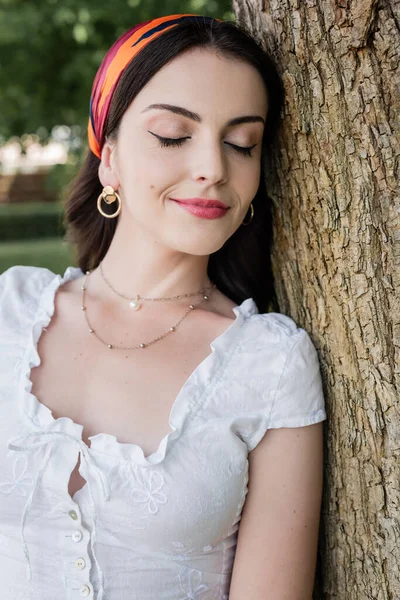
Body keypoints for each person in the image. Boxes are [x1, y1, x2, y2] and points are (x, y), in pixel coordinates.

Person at [0, 13, 327, 600]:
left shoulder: (269, 363)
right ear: (109, 155)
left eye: (240, 144)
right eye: (173, 134)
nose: (213, 168)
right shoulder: (9, 311)